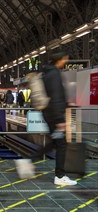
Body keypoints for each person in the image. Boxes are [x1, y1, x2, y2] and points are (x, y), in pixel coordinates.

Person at [32, 51, 77, 186]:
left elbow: (55, 95)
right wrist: (60, 120)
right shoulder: (55, 74)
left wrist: (67, 103)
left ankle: (30, 160)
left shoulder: (47, 73)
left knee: (56, 141)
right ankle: (60, 176)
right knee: (61, 144)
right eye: (65, 59)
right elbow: (56, 97)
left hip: (49, 113)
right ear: (60, 60)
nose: (65, 62)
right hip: (54, 116)